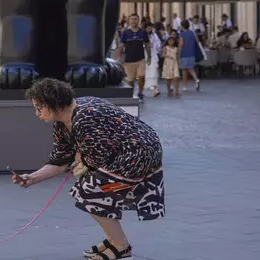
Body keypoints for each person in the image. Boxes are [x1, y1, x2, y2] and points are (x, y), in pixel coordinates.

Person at [15, 78, 164, 260]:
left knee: (91, 190)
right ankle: (114, 239)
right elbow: (60, 161)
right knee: (91, 187)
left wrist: (81, 160)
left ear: (54, 104)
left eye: (39, 107)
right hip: (127, 153)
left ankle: (121, 246)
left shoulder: (85, 117)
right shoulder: (63, 122)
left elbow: (98, 159)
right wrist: (32, 178)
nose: (37, 112)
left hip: (139, 153)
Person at [118, 14, 151, 101]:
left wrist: (149, 56)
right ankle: (131, 94)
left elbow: (147, 44)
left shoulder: (143, 32)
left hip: (141, 59)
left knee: (141, 77)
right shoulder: (125, 32)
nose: (134, 21)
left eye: (135, 19)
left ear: (138, 20)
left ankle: (140, 93)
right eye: (132, 19)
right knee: (130, 80)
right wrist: (119, 57)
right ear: (129, 20)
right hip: (129, 60)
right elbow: (121, 45)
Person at [178, 19, 201, 91]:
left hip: (185, 53)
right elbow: (197, 41)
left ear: (182, 26)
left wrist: (179, 53)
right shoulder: (192, 33)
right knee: (190, 68)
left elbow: (181, 44)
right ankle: (194, 81)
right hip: (192, 53)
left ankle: (187, 84)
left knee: (185, 70)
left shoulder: (182, 34)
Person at [144, 22, 162, 98]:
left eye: (151, 28)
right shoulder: (142, 35)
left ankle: (156, 89)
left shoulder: (154, 35)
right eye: (148, 28)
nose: (150, 29)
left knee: (154, 71)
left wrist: (156, 46)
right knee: (145, 73)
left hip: (153, 55)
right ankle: (142, 90)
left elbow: (158, 44)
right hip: (144, 55)